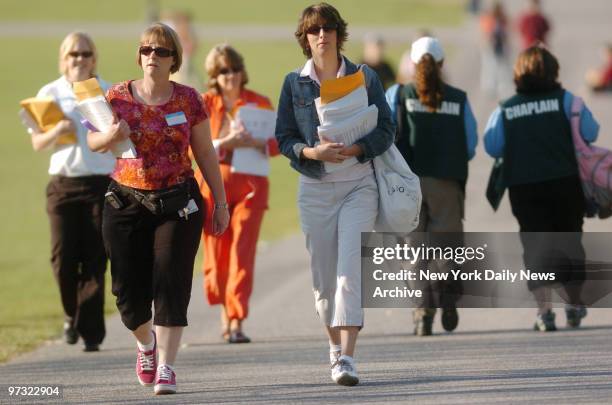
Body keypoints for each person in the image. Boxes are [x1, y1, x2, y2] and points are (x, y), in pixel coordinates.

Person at [87, 23, 229, 395]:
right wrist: (111, 136)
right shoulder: (117, 95)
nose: (153, 56)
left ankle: (166, 366)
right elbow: (93, 139)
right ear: (139, 56)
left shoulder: (188, 99)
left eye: (161, 51)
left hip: (177, 203)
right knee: (127, 295)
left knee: (171, 280)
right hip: (125, 201)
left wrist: (220, 200)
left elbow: (205, 154)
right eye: (147, 50)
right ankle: (145, 343)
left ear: (173, 60)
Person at [275, 3, 394, 386]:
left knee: (349, 273)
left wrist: (358, 149)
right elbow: (284, 137)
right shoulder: (294, 83)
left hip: (359, 184)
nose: (321, 35)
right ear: (305, 38)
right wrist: (313, 153)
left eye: (327, 28)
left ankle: (348, 358)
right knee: (324, 280)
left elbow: (387, 129)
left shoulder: (364, 76)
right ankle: (333, 348)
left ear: (339, 33)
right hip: (315, 188)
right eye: (313, 30)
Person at [484, 45, 600, 332]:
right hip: (565, 182)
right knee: (571, 241)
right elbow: (591, 132)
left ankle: (544, 311)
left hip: (524, 188)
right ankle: (573, 304)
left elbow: (492, 145)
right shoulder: (568, 101)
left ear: (518, 73)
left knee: (535, 246)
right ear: (554, 71)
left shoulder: (506, 108)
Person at [29, 32, 114, 353]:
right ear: (63, 59)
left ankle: (91, 333)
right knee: (62, 260)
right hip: (63, 184)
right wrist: (57, 131)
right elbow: (37, 143)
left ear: (94, 58)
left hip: (100, 183)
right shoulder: (49, 93)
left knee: (95, 258)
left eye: (85, 53)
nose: (79, 59)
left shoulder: (107, 92)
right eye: (72, 54)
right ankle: (71, 314)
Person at [388, 37, 477, 336]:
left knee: (413, 252)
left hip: (407, 186)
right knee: (447, 249)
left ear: (412, 64)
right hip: (447, 185)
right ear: (442, 64)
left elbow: (385, 136)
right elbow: (471, 144)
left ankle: (422, 313)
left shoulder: (398, 94)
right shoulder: (459, 98)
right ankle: (448, 299)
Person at [195, 44, 280, 344]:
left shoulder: (260, 102)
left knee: (242, 254)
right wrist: (227, 141)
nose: (229, 76)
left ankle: (237, 319)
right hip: (212, 188)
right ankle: (224, 308)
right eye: (222, 71)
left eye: (234, 69)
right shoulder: (204, 104)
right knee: (216, 257)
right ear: (214, 76)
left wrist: (259, 143)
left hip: (251, 188)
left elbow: (277, 143)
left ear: (242, 72)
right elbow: (193, 147)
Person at [479, 1, 513, 100]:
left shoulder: (502, 19)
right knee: (491, 67)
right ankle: (490, 87)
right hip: (491, 46)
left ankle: (502, 87)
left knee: (502, 68)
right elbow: (486, 34)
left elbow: (506, 33)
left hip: (500, 46)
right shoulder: (490, 19)